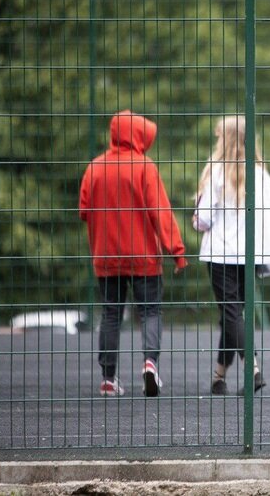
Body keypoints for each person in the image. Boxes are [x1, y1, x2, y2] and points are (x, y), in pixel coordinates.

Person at [79, 110, 188, 397]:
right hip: (143, 257)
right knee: (150, 311)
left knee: (111, 315)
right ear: (138, 136)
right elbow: (160, 213)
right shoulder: (145, 167)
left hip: (106, 256)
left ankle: (108, 378)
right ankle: (150, 364)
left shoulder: (95, 167)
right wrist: (177, 251)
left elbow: (83, 210)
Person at [193, 116, 270, 395]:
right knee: (233, 314)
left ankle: (252, 368)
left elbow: (204, 219)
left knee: (231, 312)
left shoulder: (217, 173)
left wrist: (196, 218)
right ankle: (219, 377)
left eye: (219, 136)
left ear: (226, 139)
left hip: (221, 254)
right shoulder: (260, 174)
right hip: (252, 252)